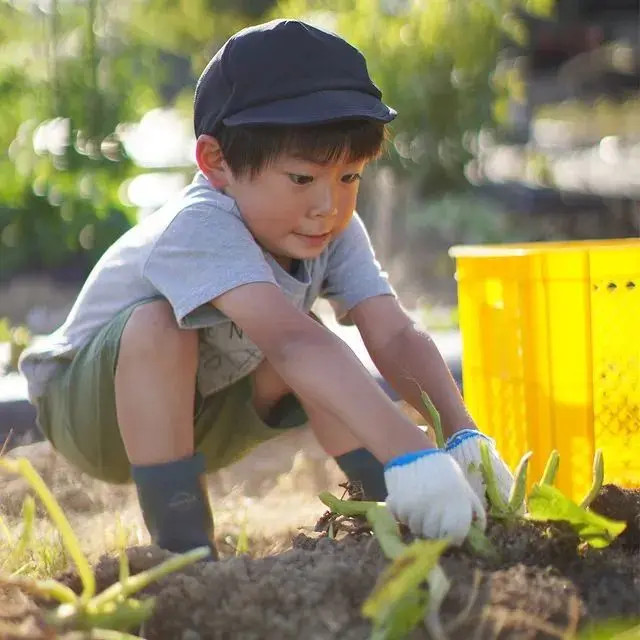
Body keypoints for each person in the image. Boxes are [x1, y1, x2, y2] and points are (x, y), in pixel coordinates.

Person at [19, 19, 514, 560]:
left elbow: (392, 332)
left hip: (204, 412)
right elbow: (288, 340)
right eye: (302, 178)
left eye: (349, 177)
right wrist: (410, 449)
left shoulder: (330, 228)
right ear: (216, 162)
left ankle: (389, 498)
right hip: (91, 413)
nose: (328, 205)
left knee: (320, 349)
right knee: (169, 327)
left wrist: (463, 435)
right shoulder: (201, 225)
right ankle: (184, 550)